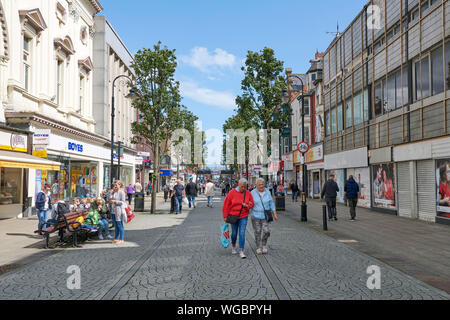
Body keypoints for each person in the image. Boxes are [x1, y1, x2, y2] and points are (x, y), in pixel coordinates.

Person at [222, 178, 254, 259]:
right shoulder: (232, 192)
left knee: (242, 233)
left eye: (245, 187)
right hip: (233, 216)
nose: (243, 188)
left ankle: (241, 250)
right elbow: (226, 205)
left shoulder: (247, 193)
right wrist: (225, 216)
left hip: (243, 216)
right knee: (234, 233)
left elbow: (252, 203)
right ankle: (233, 246)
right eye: (242, 187)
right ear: (238, 185)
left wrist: (247, 206)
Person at [250, 178, 278, 255]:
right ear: (256, 185)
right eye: (259, 185)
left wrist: (275, 214)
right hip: (255, 215)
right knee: (257, 232)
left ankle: (264, 244)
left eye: (262, 184)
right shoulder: (252, 193)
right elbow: (249, 203)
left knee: (267, 231)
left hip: (266, 215)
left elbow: (271, 203)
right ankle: (258, 247)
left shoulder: (268, 192)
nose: (261, 186)